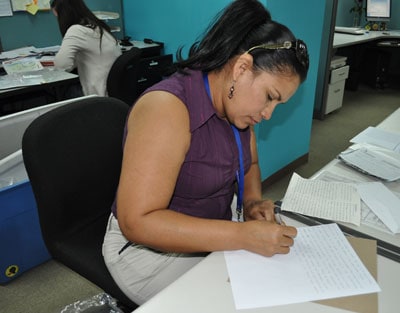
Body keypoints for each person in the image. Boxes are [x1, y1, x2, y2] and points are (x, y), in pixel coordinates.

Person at [103, 0, 309, 306]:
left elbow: (249, 163)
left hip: (214, 235)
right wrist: (242, 236)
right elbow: (139, 222)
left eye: (277, 105)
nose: (268, 114)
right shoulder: (167, 109)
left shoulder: (238, 106)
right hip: (148, 254)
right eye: (269, 97)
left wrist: (252, 203)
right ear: (241, 68)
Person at [51, 0, 121, 96]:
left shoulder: (76, 30)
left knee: (56, 92)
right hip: (112, 92)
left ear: (64, 15)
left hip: (98, 94)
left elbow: (61, 66)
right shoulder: (97, 26)